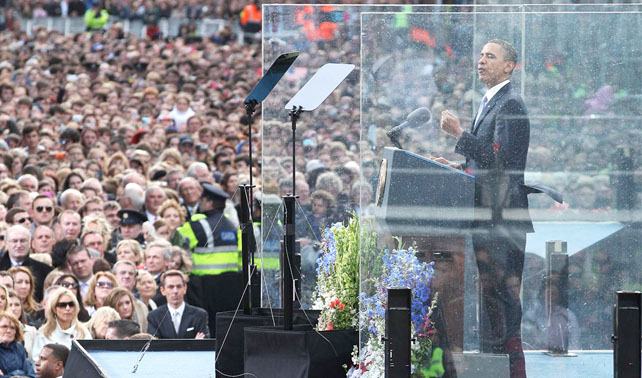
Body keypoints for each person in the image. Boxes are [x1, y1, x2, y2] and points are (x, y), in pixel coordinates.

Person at [436, 39, 531, 378]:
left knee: (503, 301)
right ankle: (495, 366)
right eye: (480, 55)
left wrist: (460, 133)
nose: (481, 61)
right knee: (491, 298)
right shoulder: (491, 102)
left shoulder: (511, 104)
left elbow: (503, 162)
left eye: (491, 56)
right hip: (488, 218)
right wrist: (458, 167)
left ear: (509, 66)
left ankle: (510, 370)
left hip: (503, 219)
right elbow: (484, 164)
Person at [177, 183, 241, 333]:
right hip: (232, 284)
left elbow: (176, 244)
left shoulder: (197, 225)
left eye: (202, 200)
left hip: (205, 287)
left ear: (209, 202)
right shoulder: (231, 225)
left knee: (208, 327)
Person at [32, 287, 92, 360]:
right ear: (54, 308)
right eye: (62, 305)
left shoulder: (83, 332)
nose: (67, 308)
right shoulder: (43, 333)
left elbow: (89, 359)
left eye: (71, 304)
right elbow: (36, 360)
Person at [147, 270, 208, 339]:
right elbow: (154, 346)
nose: (175, 291)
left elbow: (204, 345)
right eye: (171, 287)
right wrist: (193, 343)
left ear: (185, 289)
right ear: (162, 290)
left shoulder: (199, 315)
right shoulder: (154, 317)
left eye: (179, 286)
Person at [1, 225, 53, 302]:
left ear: (30, 243)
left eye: (22, 241)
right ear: (6, 243)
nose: (18, 245)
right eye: (14, 241)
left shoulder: (46, 271)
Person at [0, 312, 36, 377]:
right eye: (4, 326)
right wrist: (18, 373)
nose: (8, 331)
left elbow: (32, 375)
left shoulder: (19, 348)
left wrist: (14, 375)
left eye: (12, 328)